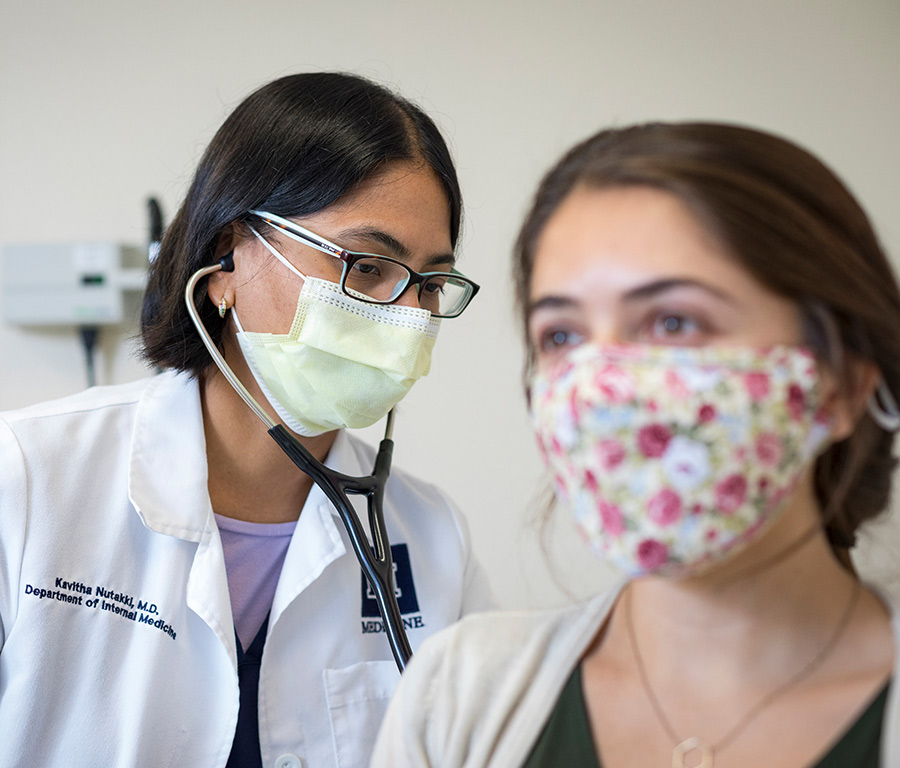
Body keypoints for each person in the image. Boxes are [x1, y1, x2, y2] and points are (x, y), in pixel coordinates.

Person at [0, 72, 493, 768]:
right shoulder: (25, 477)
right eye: (367, 266)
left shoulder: (434, 540)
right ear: (229, 257)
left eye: (431, 283)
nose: (407, 318)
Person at [372, 121, 900, 767]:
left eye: (673, 322)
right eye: (562, 336)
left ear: (840, 384)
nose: (602, 387)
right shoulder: (456, 693)